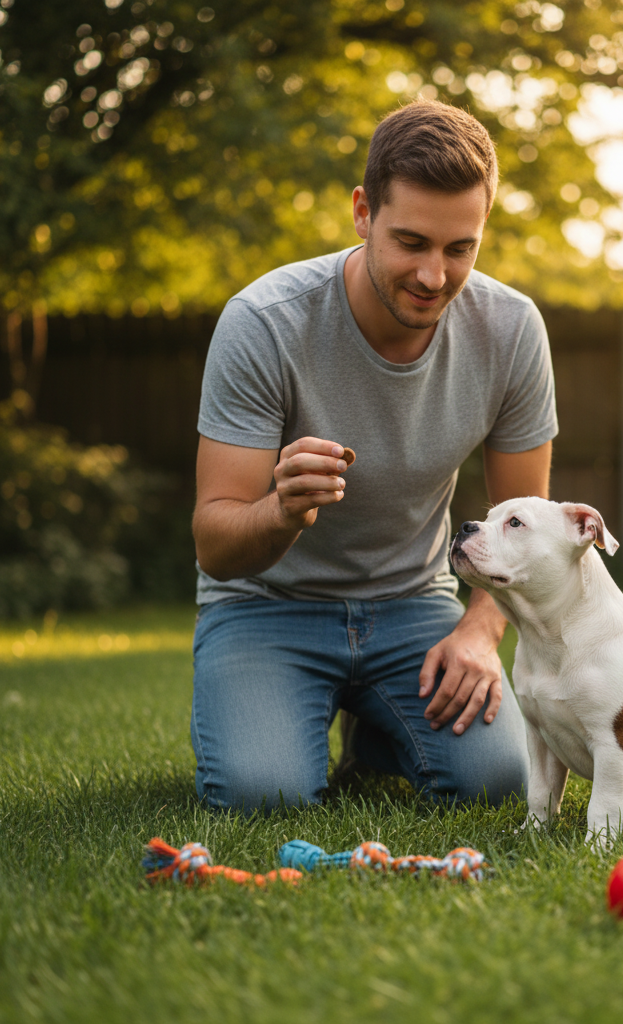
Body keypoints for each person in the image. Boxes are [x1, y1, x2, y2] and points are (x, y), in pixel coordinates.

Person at [190, 98, 558, 814]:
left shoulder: (511, 331)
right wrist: (281, 512)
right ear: (363, 212)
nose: (433, 275)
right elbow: (215, 545)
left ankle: (377, 728)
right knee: (265, 794)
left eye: (460, 249)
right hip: (267, 605)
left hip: (412, 606)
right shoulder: (265, 323)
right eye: (411, 242)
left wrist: (480, 632)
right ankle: (295, 709)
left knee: (496, 782)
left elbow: (528, 533)